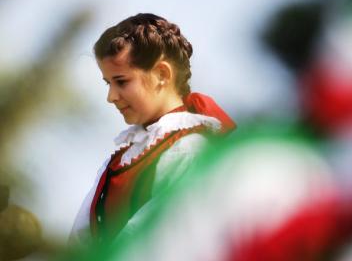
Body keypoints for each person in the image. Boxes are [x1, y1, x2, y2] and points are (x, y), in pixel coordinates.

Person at [69, 13, 235, 245]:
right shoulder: (122, 158)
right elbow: (80, 241)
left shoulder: (190, 150)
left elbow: (147, 243)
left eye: (121, 81)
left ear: (162, 74)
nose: (111, 96)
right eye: (108, 83)